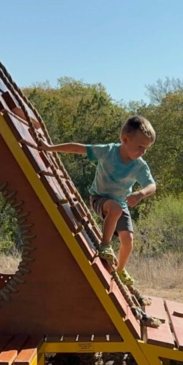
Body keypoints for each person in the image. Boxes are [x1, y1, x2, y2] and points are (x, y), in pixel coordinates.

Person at [37, 115, 157, 288]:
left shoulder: (139, 165)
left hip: (120, 203)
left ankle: (121, 270)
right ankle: (105, 245)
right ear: (125, 139)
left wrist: (140, 194)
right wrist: (50, 148)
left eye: (146, 149)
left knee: (128, 240)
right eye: (140, 147)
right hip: (99, 198)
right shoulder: (108, 151)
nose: (142, 152)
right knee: (115, 209)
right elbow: (78, 149)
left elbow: (152, 185)